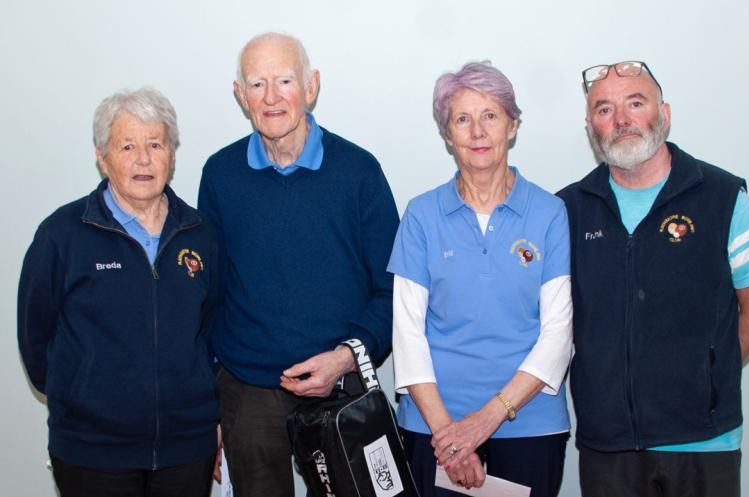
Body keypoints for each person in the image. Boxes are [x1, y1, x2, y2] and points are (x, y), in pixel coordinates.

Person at [558, 61, 749, 497]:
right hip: (609, 444)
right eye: (604, 110)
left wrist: (708, 375)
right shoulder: (566, 211)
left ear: (665, 113)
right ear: (590, 127)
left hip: (705, 441)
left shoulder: (724, 198)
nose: (621, 120)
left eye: (635, 103)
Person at [197, 32, 398, 497]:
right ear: (239, 94)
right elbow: (208, 293)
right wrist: (210, 403)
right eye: (257, 84)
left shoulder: (358, 171)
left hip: (340, 386)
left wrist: (345, 358)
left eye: (285, 81)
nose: (271, 98)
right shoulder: (220, 174)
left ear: (312, 86)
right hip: (248, 391)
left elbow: (394, 289)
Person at [18, 87, 219, 497]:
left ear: (172, 153)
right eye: (127, 145)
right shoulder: (62, 236)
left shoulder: (201, 235)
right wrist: (81, 396)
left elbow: (214, 330)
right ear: (102, 155)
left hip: (186, 450)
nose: (143, 159)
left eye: (155, 144)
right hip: (92, 454)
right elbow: (35, 338)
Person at [388, 61, 573, 497]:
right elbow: (407, 335)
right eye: (462, 119)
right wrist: (452, 437)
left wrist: (485, 420)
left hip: (529, 425)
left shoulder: (549, 214)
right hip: (434, 429)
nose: (477, 131)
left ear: (512, 126)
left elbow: (558, 335)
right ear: (447, 134)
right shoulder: (420, 215)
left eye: (490, 115)